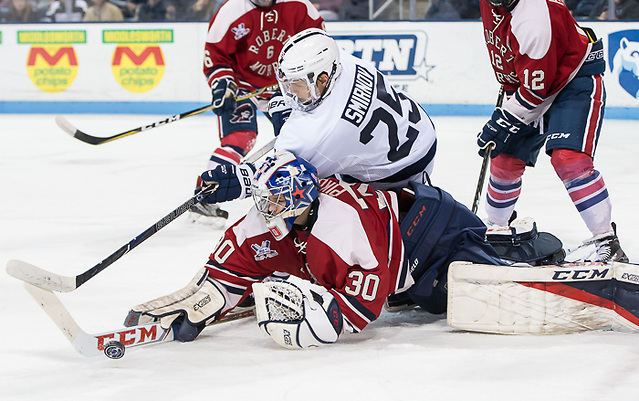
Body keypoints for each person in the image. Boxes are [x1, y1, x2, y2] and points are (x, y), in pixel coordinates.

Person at [124, 152, 508, 348]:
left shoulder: (343, 228)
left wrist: (317, 319)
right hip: (396, 243)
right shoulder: (279, 216)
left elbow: (365, 307)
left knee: (467, 289)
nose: (264, 209)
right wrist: (207, 297)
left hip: (434, 237)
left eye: (272, 200)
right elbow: (236, 258)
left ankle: (516, 252)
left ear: (296, 198)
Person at [476, 0, 628, 263]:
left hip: (572, 79)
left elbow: (536, 93)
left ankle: (607, 241)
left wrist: (503, 120)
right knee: (504, 160)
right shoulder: (491, 4)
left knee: (570, 160)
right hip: (529, 82)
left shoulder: (535, 16)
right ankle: (496, 230)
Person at [189, 0, 325, 224]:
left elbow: (320, 45)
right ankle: (206, 195)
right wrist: (223, 83)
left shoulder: (299, 6)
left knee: (299, 141)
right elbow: (215, 56)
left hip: (287, 87)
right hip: (242, 87)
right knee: (240, 137)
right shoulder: (231, 12)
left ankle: (299, 195)